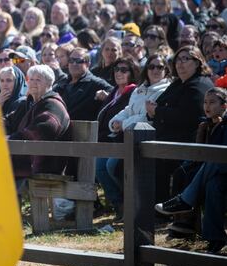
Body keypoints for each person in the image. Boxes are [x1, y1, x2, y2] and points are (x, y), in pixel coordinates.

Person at [155, 87, 227, 255]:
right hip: (218, 174)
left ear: (224, 106)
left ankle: (185, 200)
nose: (207, 106)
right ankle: (215, 239)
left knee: (215, 160)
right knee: (212, 185)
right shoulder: (206, 125)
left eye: (212, 102)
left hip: (221, 166)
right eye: (205, 102)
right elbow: (201, 152)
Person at [147, 46, 214, 202]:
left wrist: (158, 111)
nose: (180, 63)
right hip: (168, 137)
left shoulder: (199, 85)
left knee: (156, 160)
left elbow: (186, 116)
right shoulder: (178, 83)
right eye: (178, 59)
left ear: (197, 63)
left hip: (188, 142)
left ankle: (163, 208)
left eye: (186, 59)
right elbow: (159, 104)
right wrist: (156, 110)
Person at [4, 64, 71, 189]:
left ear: (49, 83)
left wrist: (11, 138)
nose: (33, 83)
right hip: (28, 156)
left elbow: (45, 128)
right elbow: (10, 122)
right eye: (31, 79)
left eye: (38, 80)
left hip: (45, 163)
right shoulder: (30, 103)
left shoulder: (53, 104)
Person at [93, 58, 141, 218]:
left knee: (110, 166)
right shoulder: (114, 91)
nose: (118, 73)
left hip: (123, 140)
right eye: (116, 69)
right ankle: (118, 205)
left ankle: (130, 202)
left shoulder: (133, 92)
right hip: (108, 140)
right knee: (99, 166)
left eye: (123, 70)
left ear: (132, 73)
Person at [55, 47, 113, 121]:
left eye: (79, 61)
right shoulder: (62, 83)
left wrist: (107, 96)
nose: (74, 64)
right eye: (71, 60)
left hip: (84, 129)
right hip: (61, 126)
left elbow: (116, 94)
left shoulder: (95, 82)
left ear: (88, 64)